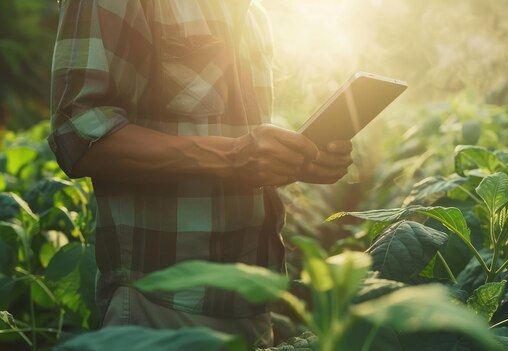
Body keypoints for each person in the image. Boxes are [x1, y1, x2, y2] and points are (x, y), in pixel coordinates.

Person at [48, 0, 353, 348]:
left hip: (250, 299)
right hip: (164, 303)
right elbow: (78, 135)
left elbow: (233, 142)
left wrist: (294, 161)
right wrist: (235, 155)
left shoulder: (252, 13)